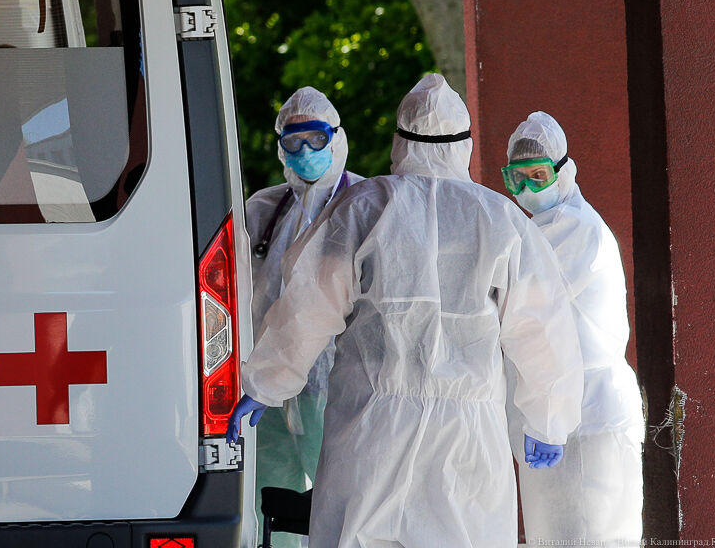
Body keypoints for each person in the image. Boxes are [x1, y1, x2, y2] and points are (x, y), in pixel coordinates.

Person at [228, 74, 584, 548]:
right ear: (465, 144)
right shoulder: (500, 218)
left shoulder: (364, 206)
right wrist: (550, 416)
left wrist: (267, 381)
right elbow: (541, 326)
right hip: (467, 432)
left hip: (371, 423)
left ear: (399, 141)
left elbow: (310, 304)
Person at [501, 111, 644, 547]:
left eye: (538, 176)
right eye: (517, 179)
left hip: (591, 416)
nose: (527, 189)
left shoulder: (574, 228)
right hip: (560, 418)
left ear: (563, 171)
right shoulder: (538, 230)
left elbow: (520, 306)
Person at [245, 86, 363, 548]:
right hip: (266, 385)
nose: (306, 151)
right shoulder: (264, 210)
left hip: (337, 382)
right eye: (293, 141)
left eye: (316, 138)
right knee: (269, 502)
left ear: (336, 138)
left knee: (342, 502)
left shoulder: (367, 203)